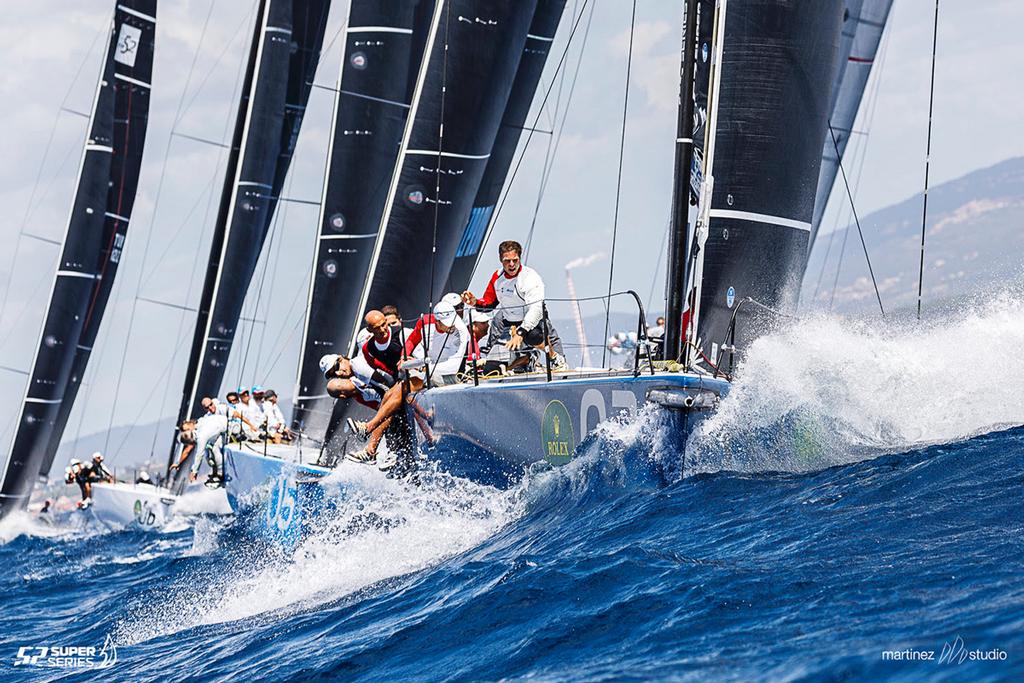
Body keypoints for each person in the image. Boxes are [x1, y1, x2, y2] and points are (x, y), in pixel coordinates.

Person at [346, 299, 470, 464]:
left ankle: (369, 432)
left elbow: (453, 366)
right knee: (393, 393)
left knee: (400, 391)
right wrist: (405, 358)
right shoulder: (425, 322)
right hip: (419, 373)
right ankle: (372, 448)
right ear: (436, 320)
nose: (450, 326)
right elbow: (411, 342)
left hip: (445, 374)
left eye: (385, 324)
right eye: (444, 324)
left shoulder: (461, 331)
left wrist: (423, 367)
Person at [462, 239, 565, 371]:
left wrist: (521, 332)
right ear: (501, 260)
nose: (511, 264)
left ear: (519, 258)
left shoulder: (529, 277)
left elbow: (536, 309)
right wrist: (475, 302)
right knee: (491, 370)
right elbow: (489, 303)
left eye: (515, 260)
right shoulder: (497, 277)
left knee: (533, 335)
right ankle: (528, 358)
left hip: (533, 323)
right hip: (510, 325)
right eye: (507, 261)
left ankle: (555, 358)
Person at [170, 400, 229, 487]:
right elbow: (187, 451)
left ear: (190, 424)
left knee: (213, 450)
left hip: (227, 429)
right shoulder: (198, 428)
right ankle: (216, 473)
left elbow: (198, 455)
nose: (188, 430)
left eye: (187, 428)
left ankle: (220, 474)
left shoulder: (201, 429)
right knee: (210, 454)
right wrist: (178, 462)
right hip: (220, 433)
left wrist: (194, 472)